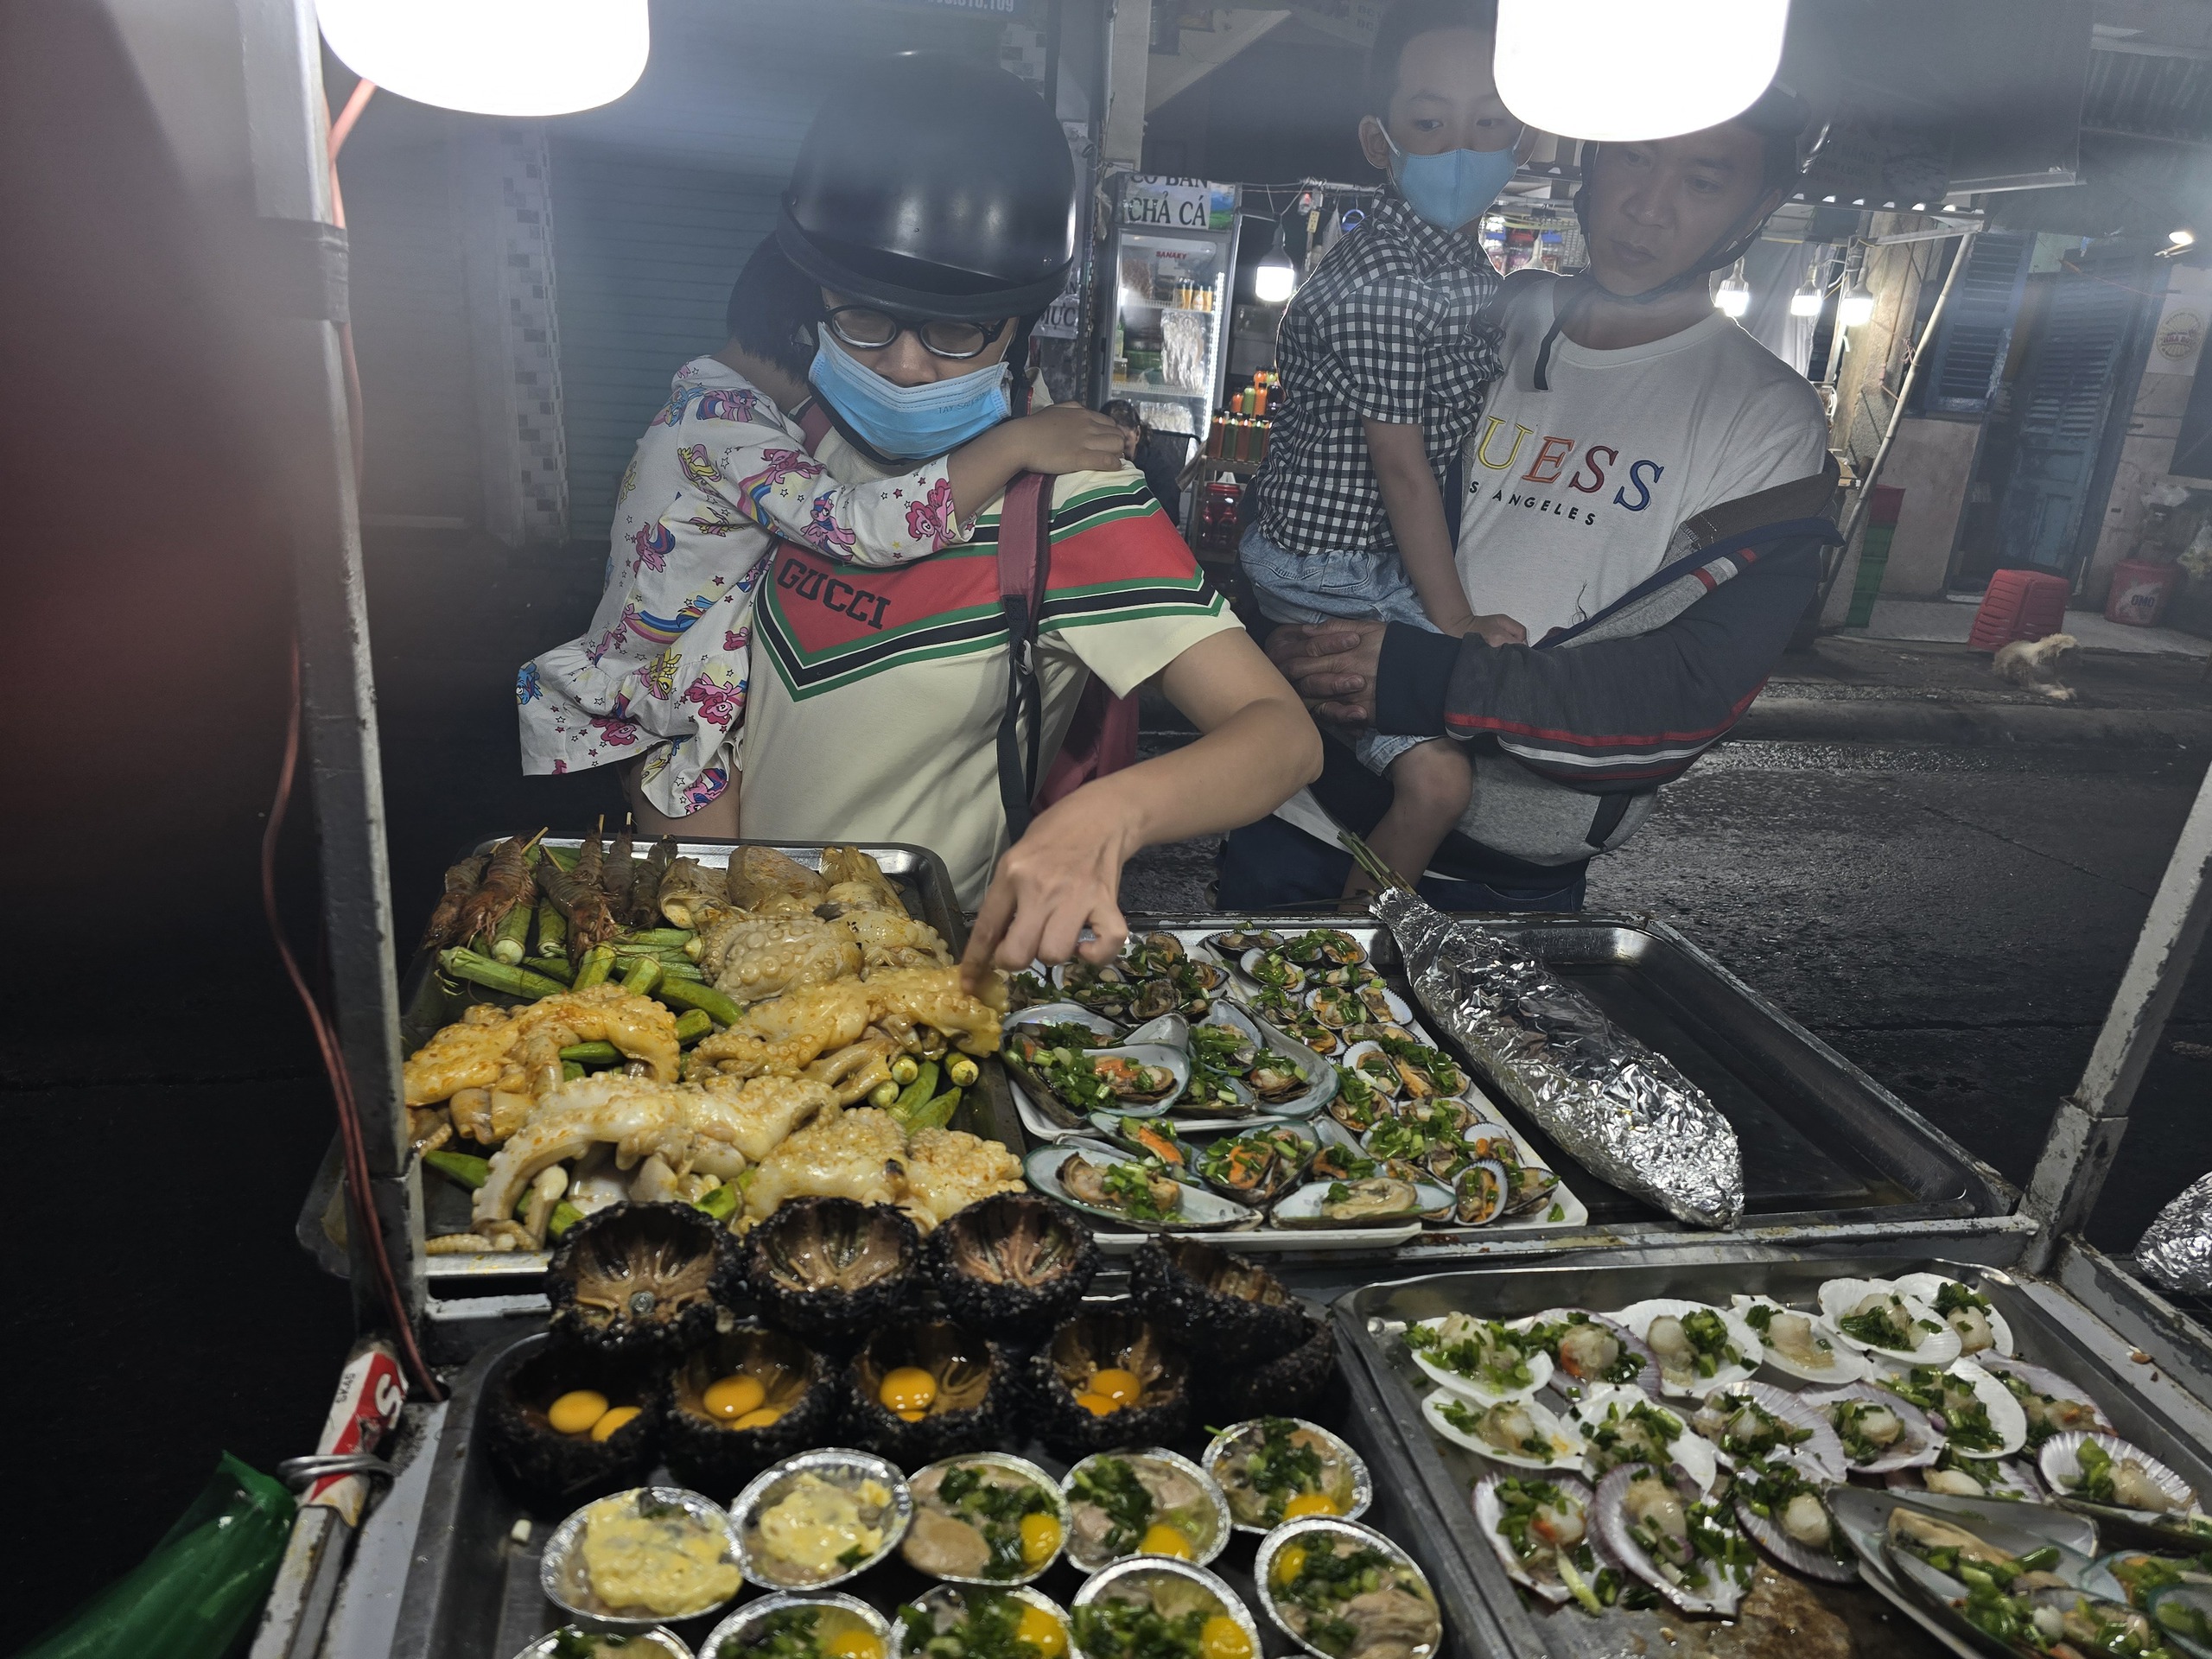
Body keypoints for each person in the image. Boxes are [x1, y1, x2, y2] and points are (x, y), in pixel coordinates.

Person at [730, 52, 1319, 979]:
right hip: (725, 946)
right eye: (865, 320)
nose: (907, 364)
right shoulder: (779, 448)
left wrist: (1106, 816)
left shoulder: (1071, 504)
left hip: (905, 983)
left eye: (957, 330)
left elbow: (1279, 736)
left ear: (1020, 324)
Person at [1227, 86, 1840, 909]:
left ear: (1760, 205)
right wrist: (1274, 631)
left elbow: (1687, 692)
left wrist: (1435, 677)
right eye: (1634, 158)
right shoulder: (1487, 314)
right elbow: (1317, 477)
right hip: (1296, 807)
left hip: (1498, 879)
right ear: (1591, 160)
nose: (1647, 209)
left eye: (1702, 181)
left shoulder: (1768, 418)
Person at [516, 232, 1126, 838]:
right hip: (676, 726)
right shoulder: (726, 427)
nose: (894, 372)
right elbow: (860, 525)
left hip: (690, 699)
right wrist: (1017, 442)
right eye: (861, 337)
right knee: (714, 914)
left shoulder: (711, 407)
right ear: (810, 338)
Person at [1237, 0, 1529, 898]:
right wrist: (1454, 630)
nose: (1462, 145)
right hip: (1329, 566)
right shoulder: (1386, 283)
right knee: (1439, 779)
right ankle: (1356, 967)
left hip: (1369, 557)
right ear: (1379, 139)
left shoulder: (1458, 264)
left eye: (1491, 121)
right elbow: (1403, 472)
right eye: (1429, 121)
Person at [1102, 399, 1189, 528]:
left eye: (1124, 440)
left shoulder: (1160, 471)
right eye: (1109, 440)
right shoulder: (1093, 465)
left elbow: (1168, 520)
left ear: (1137, 434)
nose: (1117, 449)